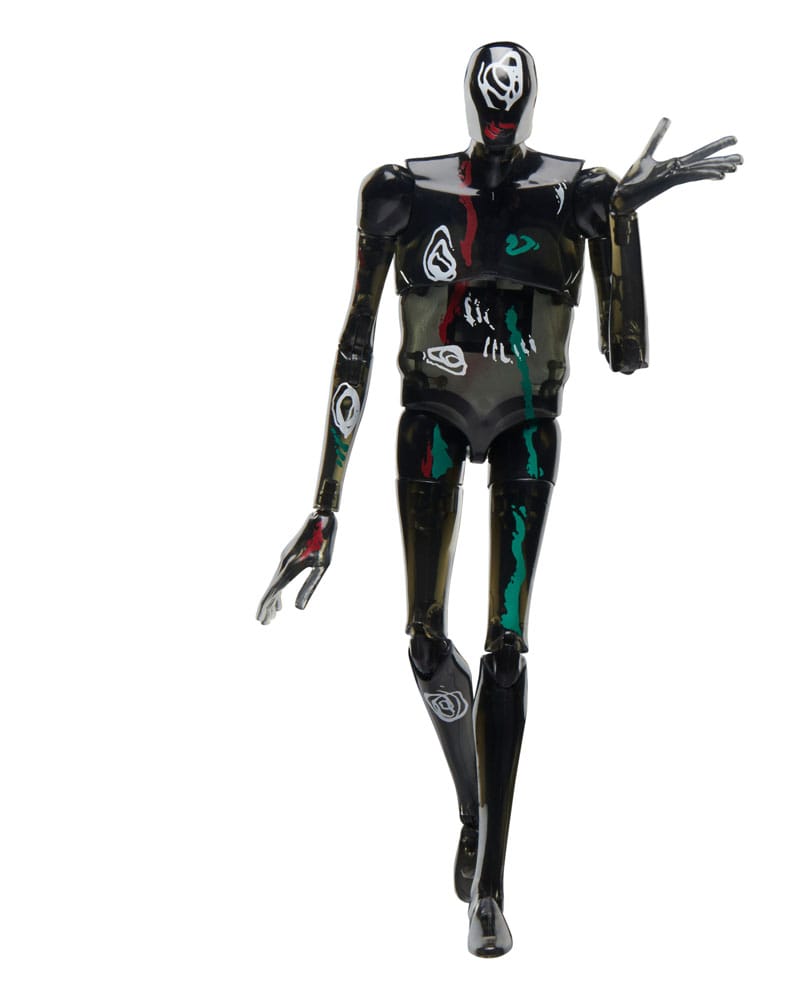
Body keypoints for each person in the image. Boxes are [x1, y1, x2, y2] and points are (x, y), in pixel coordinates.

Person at [257, 41, 741, 957]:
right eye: (492, 92)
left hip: (524, 419)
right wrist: (325, 504)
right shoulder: (402, 192)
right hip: (431, 416)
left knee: (507, 645)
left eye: (512, 94)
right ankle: (474, 807)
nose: (500, 108)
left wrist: (619, 221)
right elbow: (357, 340)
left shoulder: (573, 194)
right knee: (424, 642)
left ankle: (491, 884)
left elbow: (626, 352)